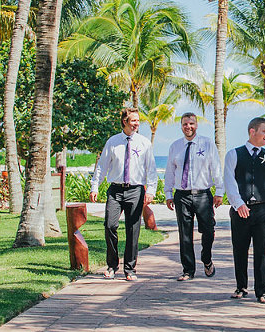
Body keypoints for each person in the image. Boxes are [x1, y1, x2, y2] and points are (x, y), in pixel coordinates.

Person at [90, 108, 157, 281]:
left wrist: (150, 190)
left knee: (132, 230)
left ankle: (130, 269)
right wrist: (94, 186)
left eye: (138, 120)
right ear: (125, 121)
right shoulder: (113, 142)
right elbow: (102, 166)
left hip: (135, 190)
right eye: (133, 120)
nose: (137, 123)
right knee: (110, 226)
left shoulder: (144, 143)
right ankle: (112, 266)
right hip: (116, 190)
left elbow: (151, 169)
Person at [223, 117, 265, 304]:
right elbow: (229, 181)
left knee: (262, 251)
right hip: (240, 210)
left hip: (263, 210)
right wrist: (238, 204)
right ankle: (241, 287)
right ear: (252, 131)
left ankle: (262, 291)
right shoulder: (233, 154)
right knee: (239, 249)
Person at [164, 113, 224, 281]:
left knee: (208, 230)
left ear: (196, 125)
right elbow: (170, 171)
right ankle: (188, 270)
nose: (188, 127)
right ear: (181, 126)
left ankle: (206, 259)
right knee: (185, 234)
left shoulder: (207, 143)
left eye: (191, 123)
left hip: (203, 194)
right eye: (185, 124)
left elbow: (216, 167)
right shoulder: (175, 146)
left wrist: (219, 191)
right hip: (181, 195)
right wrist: (168, 193)